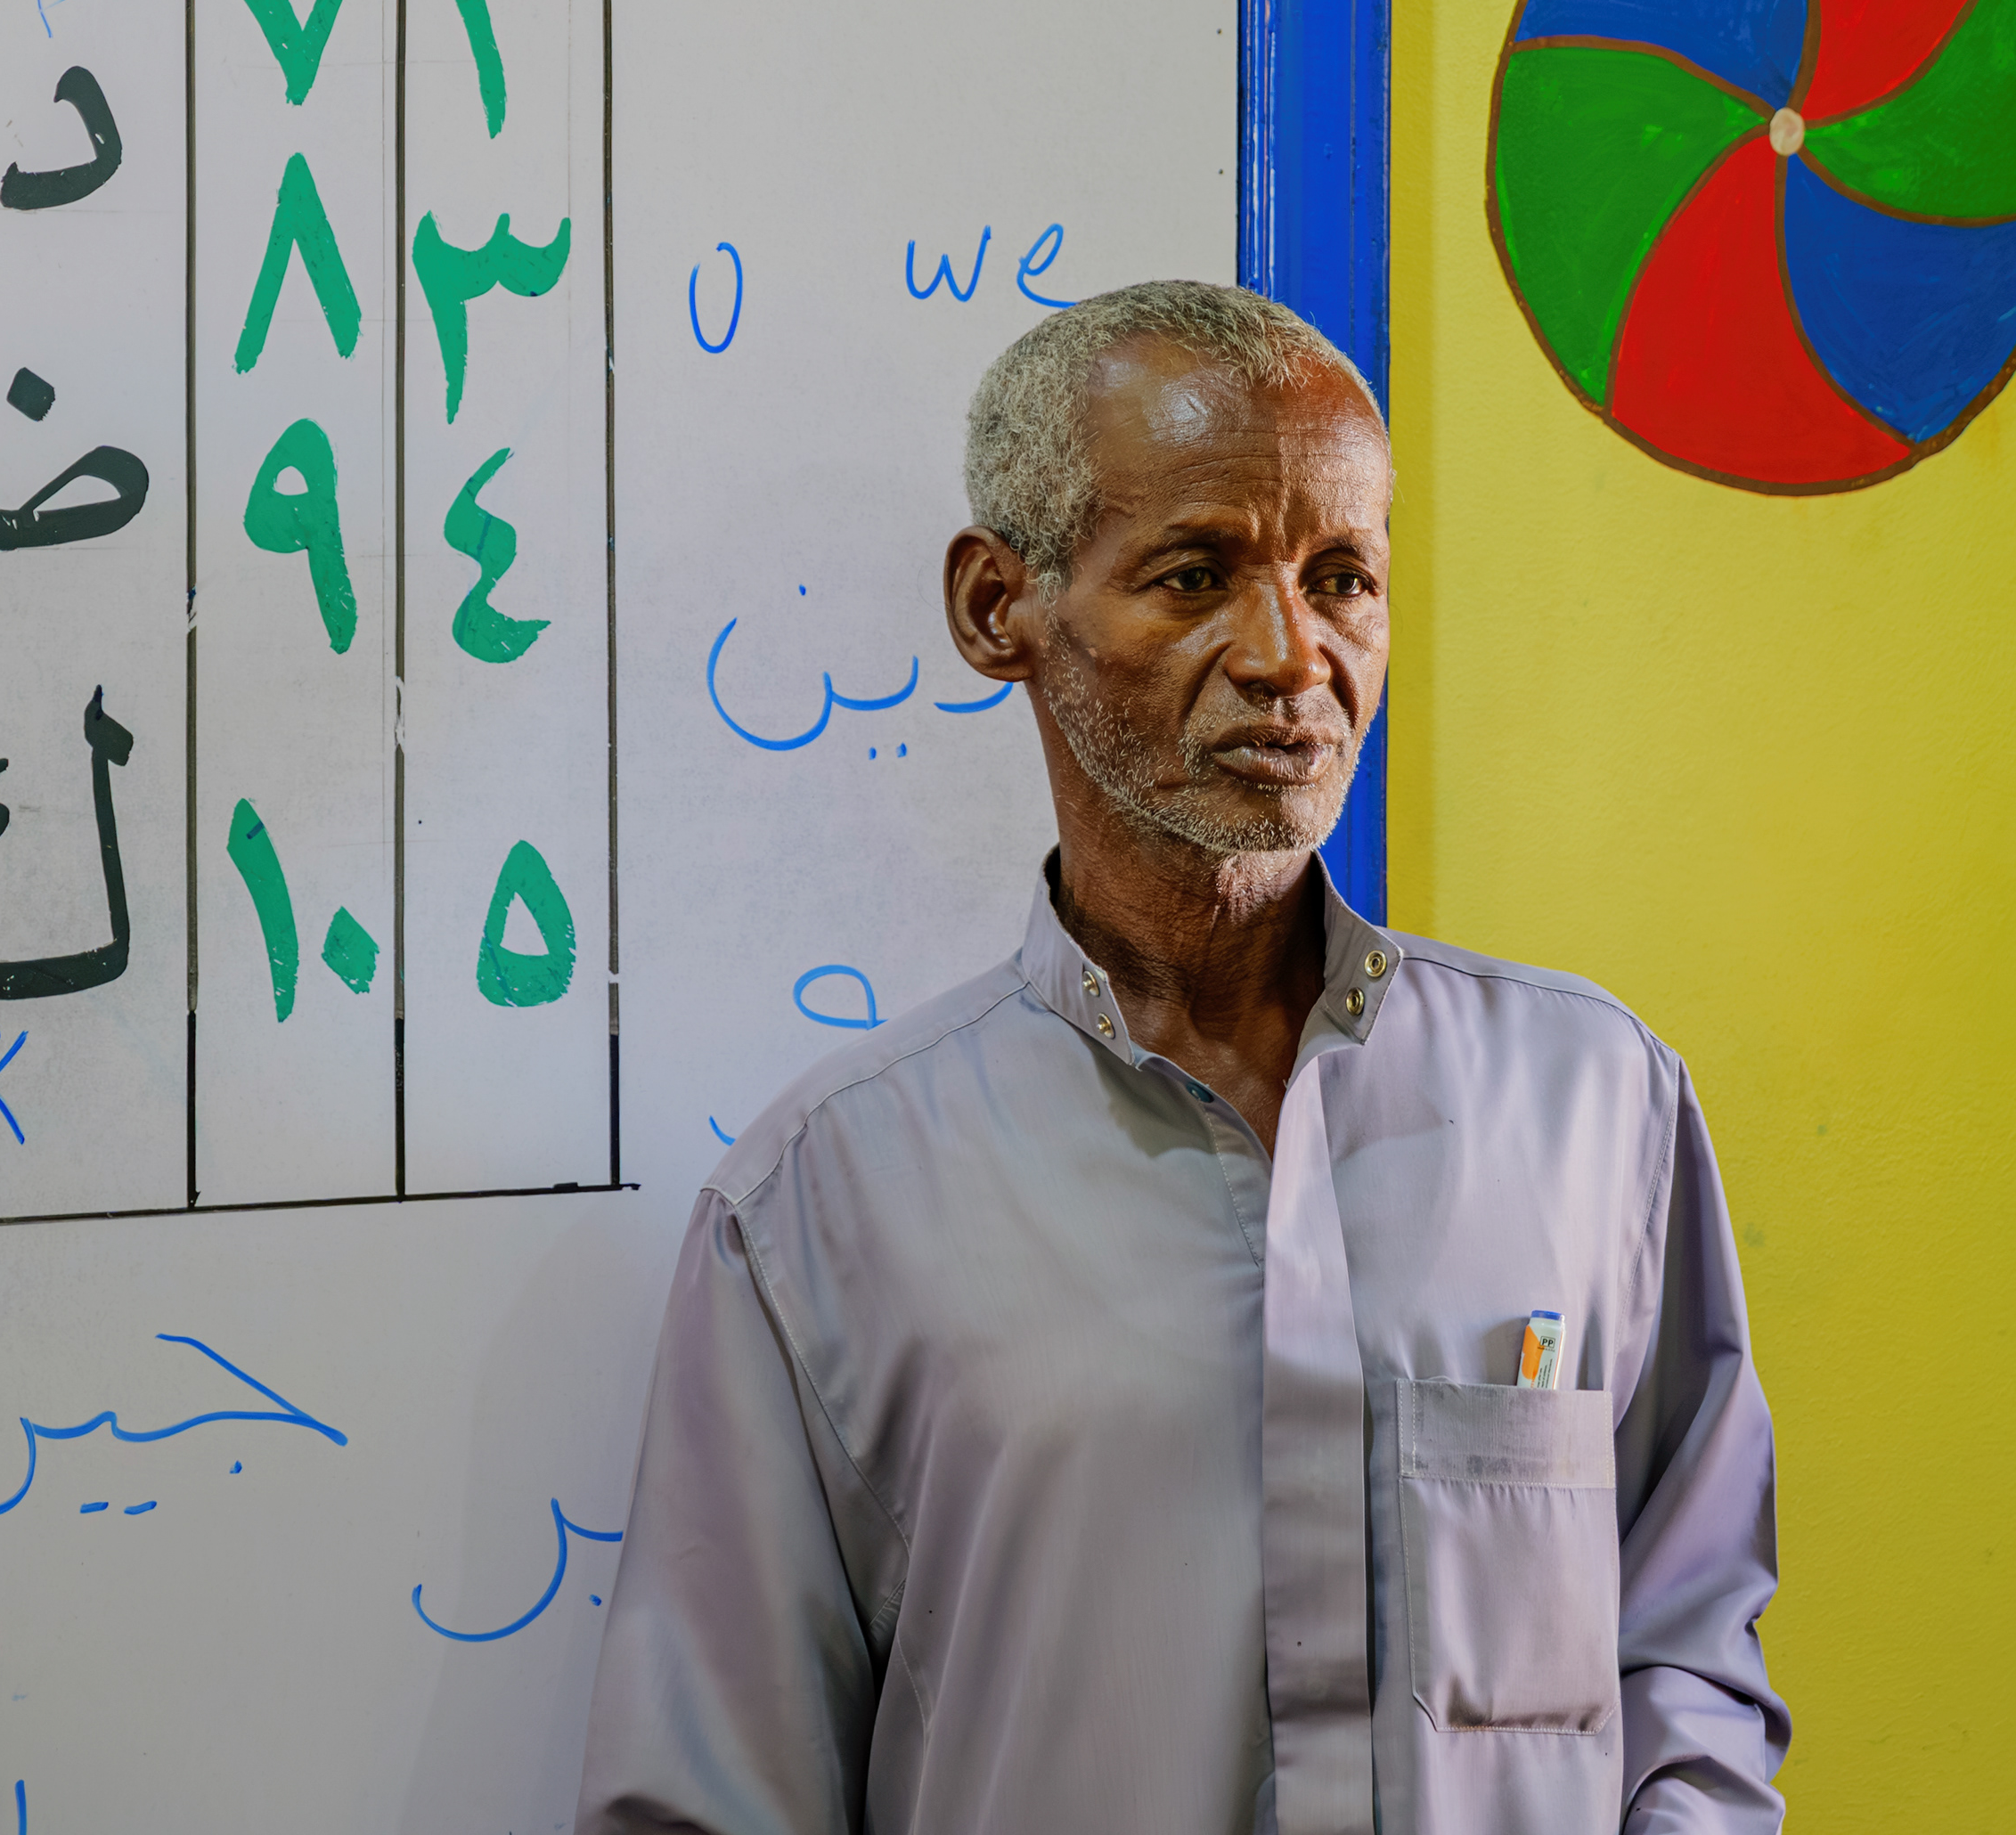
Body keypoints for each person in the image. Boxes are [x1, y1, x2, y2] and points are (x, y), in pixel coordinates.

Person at [577, 281, 1785, 1835]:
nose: (1294, 655)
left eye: (1342, 575)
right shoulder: (823, 1212)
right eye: (1198, 572)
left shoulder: (1594, 1107)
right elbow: (711, 1794)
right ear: (997, 608)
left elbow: (1686, 1659)